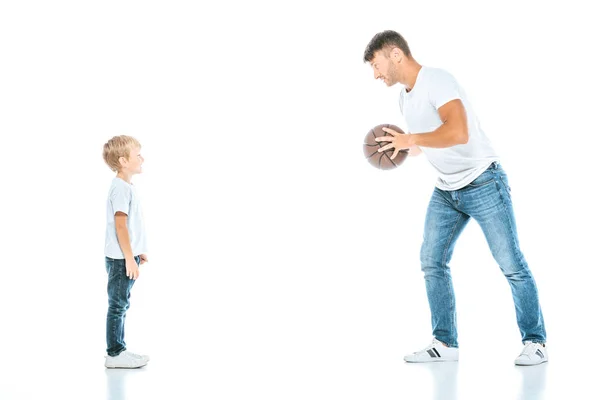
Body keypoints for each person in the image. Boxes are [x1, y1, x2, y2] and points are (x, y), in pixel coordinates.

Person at [363, 30, 547, 365]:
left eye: (376, 65)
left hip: (483, 182)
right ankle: (445, 344)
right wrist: (404, 147)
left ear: (395, 54)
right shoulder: (404, 97)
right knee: (431, 261)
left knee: (511, 263)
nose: (376, 74)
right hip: (447, 189)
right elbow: (428, 142)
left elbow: (458, 132)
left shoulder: (437, 80)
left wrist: (411, 139)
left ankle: (536, 341)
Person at [102, 135, 150, 368]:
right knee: (118, 304)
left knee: (122, 303)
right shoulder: (120, 189)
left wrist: (138, 252)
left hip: (127, 257)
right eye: (137, 154)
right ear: (123, 160)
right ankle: (115, 353)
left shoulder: (126, 187)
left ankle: (118, 349)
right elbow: (120, 225)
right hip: (122, 259)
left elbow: (131, 226)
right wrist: (129, 258)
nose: (142, 158)